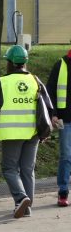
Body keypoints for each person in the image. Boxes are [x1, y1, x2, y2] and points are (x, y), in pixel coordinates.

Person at [0, 45, 52, 219]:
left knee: (9, 168)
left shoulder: (5, 81)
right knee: (27, 169)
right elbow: (47, 105)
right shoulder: (35, 80)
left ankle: (21, 198)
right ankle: (27, 207)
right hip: (32, 133)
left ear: (10, 62)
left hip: (12, 132)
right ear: (25, 62)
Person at [46, 48, 71, 207]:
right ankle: (63, 193)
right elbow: (50, 92)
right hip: (65, 119)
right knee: (66, 156)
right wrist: (53, 113)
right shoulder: (60, 65)